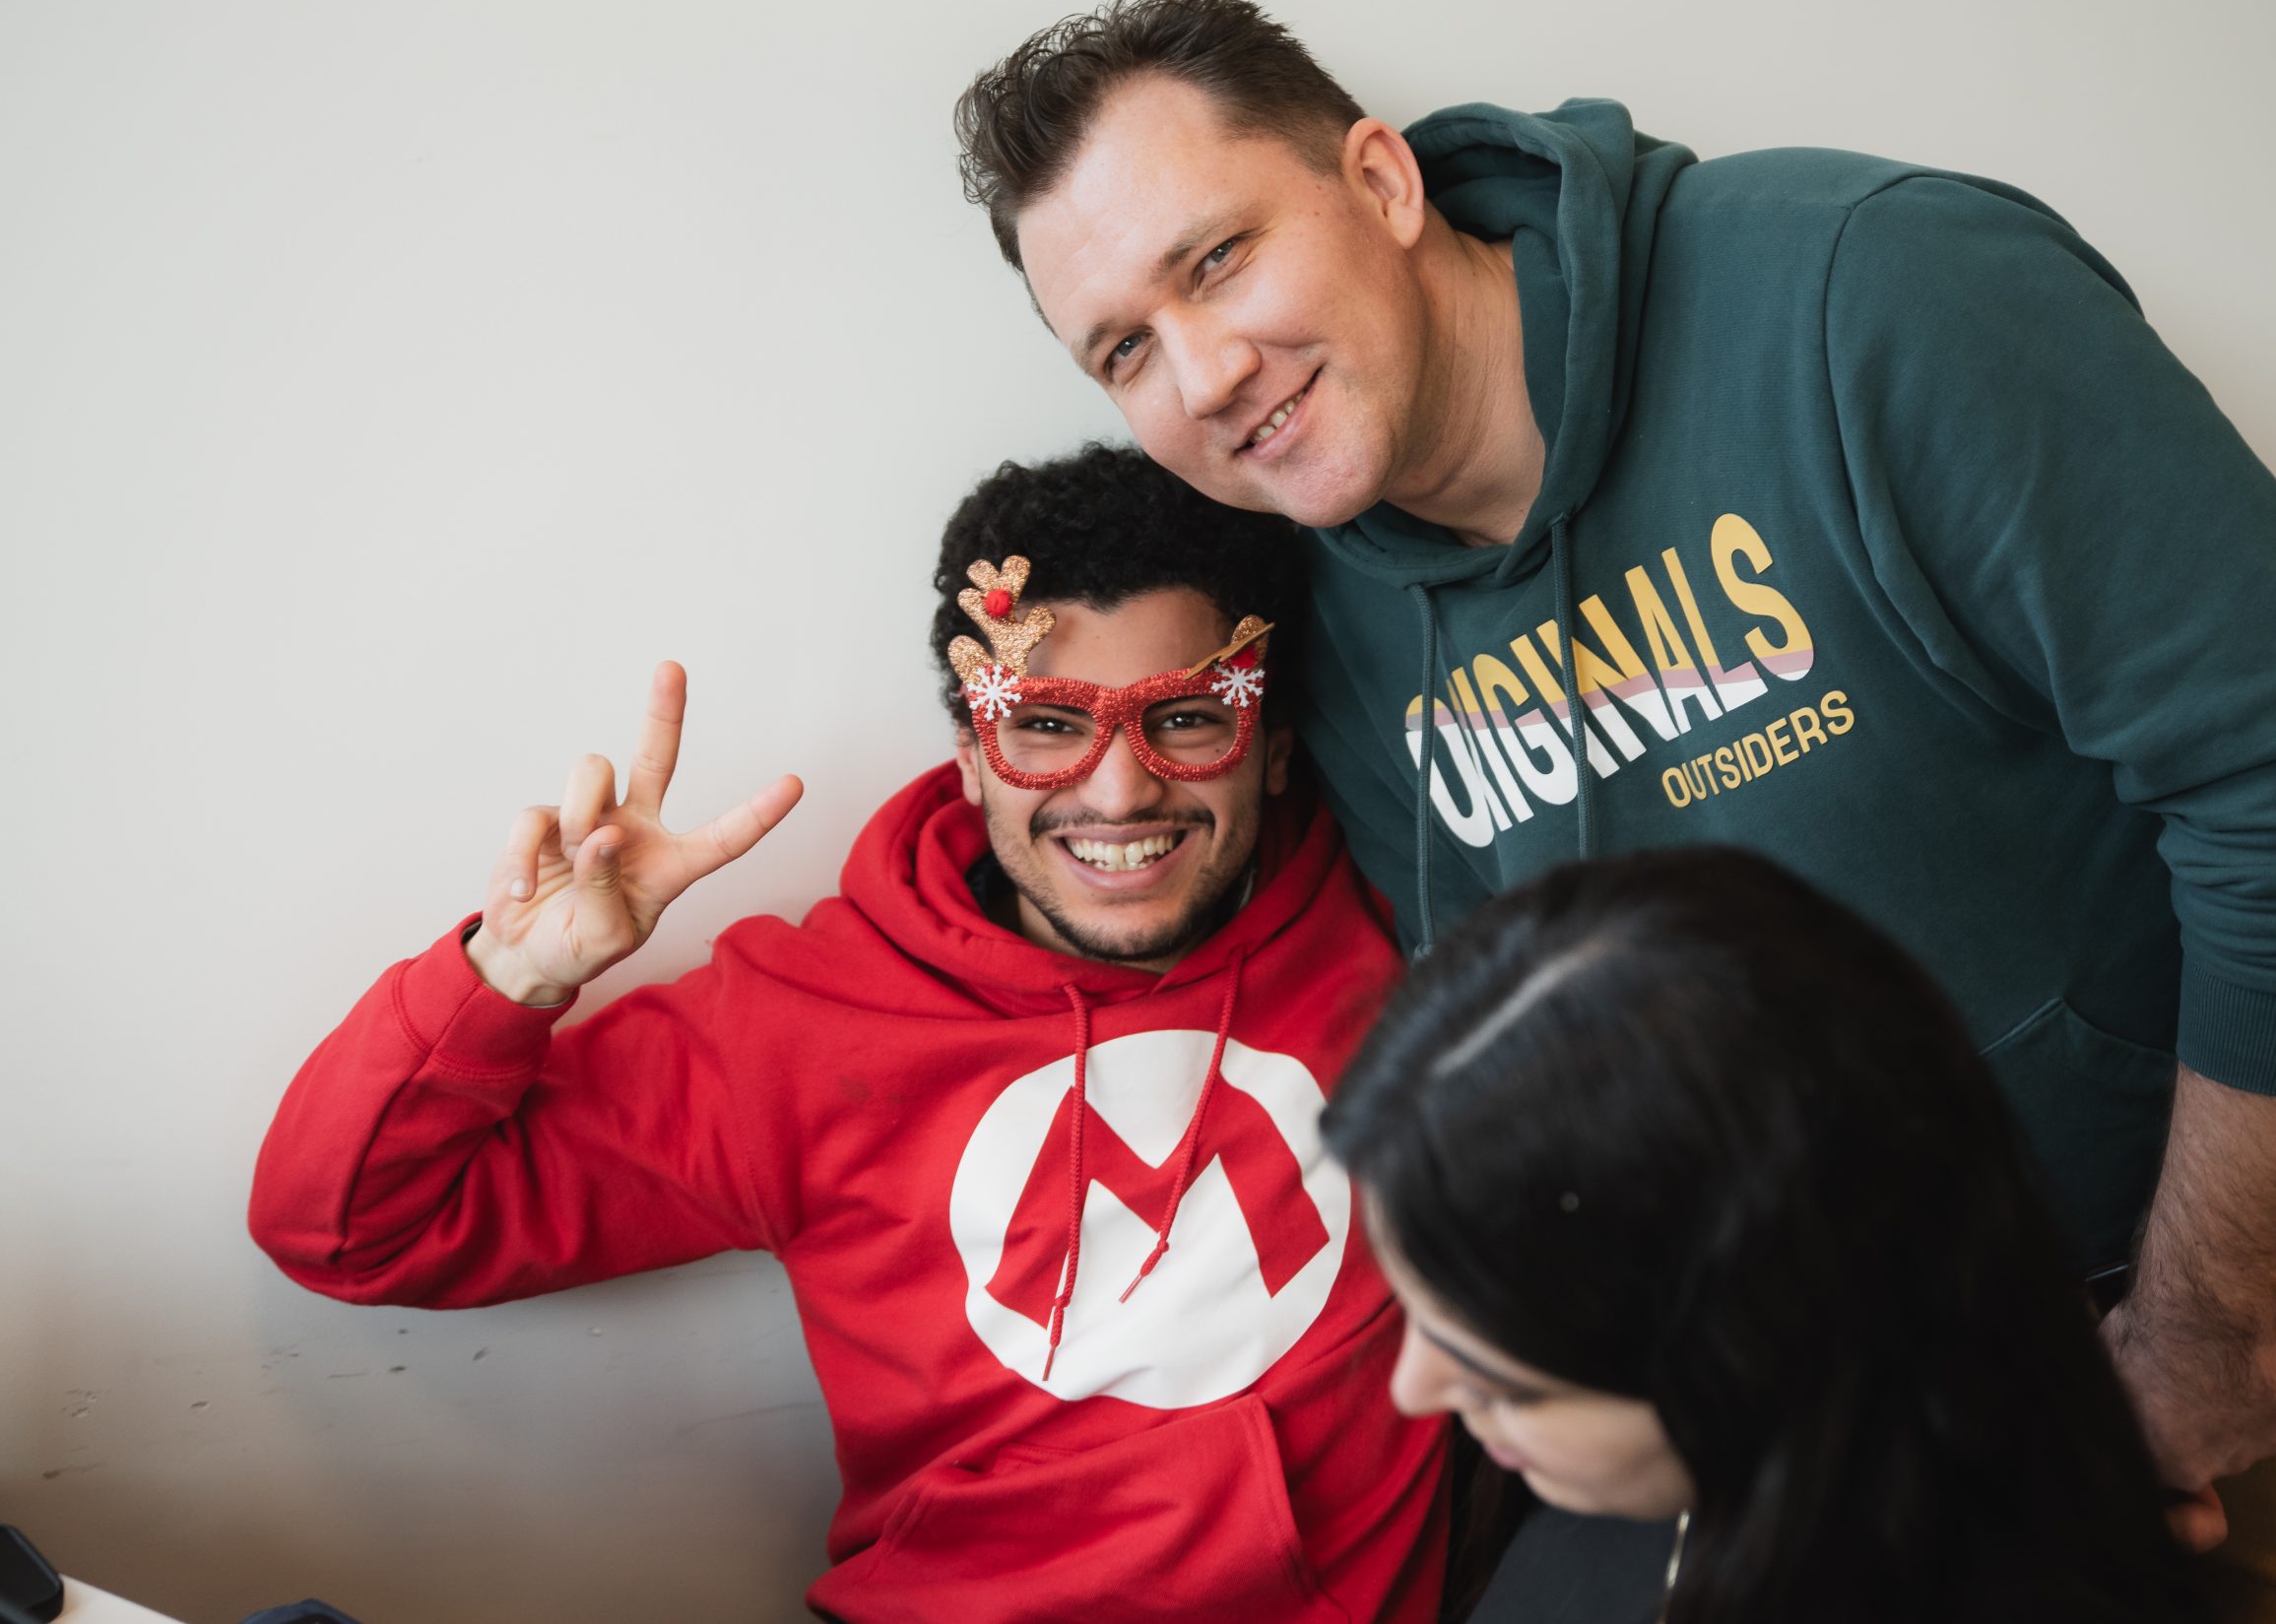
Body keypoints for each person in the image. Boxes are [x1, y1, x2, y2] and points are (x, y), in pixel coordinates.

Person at [951, 0, 2276, 1623]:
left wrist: (2202, 1319)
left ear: (1382, 182)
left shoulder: (1875, 295)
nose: (1202, 372)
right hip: (1952, 1398)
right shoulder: (1328, 619)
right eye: (1124, 347)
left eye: (1217, 258)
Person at [247, 444, 1448, 1624]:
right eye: (1044, 724)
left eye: (1185, 719)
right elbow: (346, 1233)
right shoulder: (803, 1021)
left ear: (1273, 747)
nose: (1118, 790)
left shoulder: (1394, 910)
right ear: (971, 758)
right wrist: (511, 978)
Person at [1319, 847, 2208, 1624]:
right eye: (1418, 1311)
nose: (1411, 1389)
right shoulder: (1641, 1488)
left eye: (1506, 1383)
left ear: (1756, 1347)